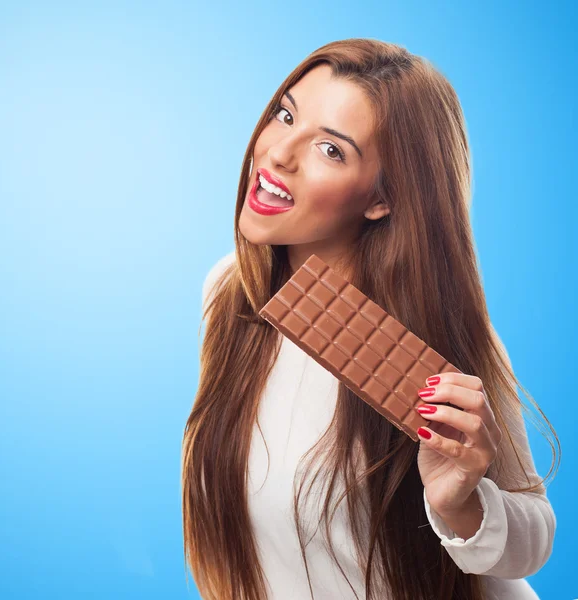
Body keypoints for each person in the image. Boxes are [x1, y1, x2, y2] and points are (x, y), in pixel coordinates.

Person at [181, 38, 558, 600]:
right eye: (286, 115)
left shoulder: (433, 334)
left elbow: (532, 544)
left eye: (331, 150)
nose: (280, 154)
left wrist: (461, 501)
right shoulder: (229, 292)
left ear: (382, 199)